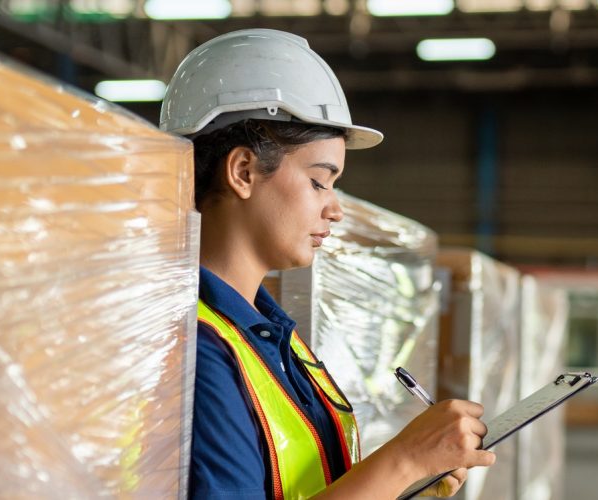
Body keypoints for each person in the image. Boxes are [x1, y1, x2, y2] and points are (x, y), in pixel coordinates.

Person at [159, 29, 495, 499]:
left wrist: (406, 479)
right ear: (243, 172)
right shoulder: (197, 352)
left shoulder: (274, 338)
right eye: (320, 182)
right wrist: (404, 459)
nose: (335, 209)